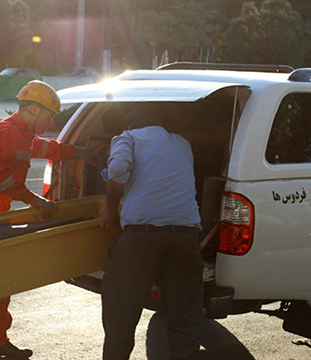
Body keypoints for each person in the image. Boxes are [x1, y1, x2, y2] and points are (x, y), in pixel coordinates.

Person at [0, 80, 102, 360]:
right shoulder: (8, 134)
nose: (52, 121)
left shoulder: (22, 134)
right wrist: (34, 199)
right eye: (50, 116)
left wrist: (78, 152)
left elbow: (47, 149)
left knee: (1, 279)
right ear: (34, 111)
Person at [99, 110, 203, 360]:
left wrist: (111, 205)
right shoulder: (182, 143)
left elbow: (118, 169)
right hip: (186, 237)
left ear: (130, 124)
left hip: (141, 239)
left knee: (120, 315)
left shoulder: (128, 137)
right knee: (185, 314)